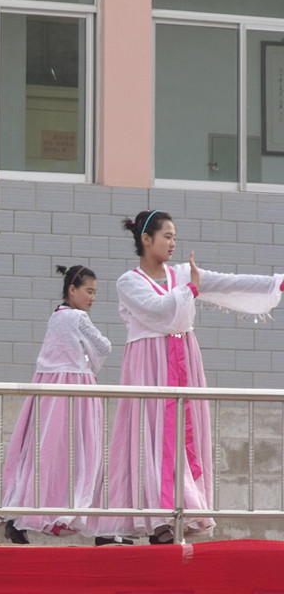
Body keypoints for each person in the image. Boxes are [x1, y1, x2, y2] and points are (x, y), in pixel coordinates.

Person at [97, 210, 284, 544]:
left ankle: (179, 513)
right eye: (167, 236)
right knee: (150, 436)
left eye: (175, 237)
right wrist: (190, 292)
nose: (173, 243)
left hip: (183, 358)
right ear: (146, 239)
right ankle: (156, 519)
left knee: (183, 436)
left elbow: (227, 282)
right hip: (148, 365)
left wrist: (274, 283)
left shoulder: (183, 273)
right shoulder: (129, 282)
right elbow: (159, 311)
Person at [0, 265, 111, 545]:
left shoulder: (56, 316)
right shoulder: (77, 318)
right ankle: (91, 519)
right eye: (88, 291)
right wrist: (87, 364)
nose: (92, 297)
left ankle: (22, 514)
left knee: (43, 453)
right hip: (76, 392)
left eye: (94, 293)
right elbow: (104, 347)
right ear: (72, 290)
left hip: (49, 392)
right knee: (84, 453)